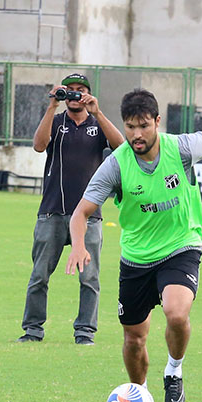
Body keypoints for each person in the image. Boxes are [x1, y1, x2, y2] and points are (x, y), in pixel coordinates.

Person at [65, 88, 202, 402]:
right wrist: (78, 246)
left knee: (176, 313)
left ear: (157, 122)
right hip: (136, 258)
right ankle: (139, 398)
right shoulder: (117, 165)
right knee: (134, 340)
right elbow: (81, 212)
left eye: (143, 126)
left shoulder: (179, 149)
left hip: (182, 245)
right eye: (130, 127)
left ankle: (174, 370)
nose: (136, 135)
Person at [18, 73, 124, 345]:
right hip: (51, 212)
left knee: (89, 278)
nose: (75, 95)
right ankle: (32, 330)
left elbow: (121, 147)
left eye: (80, 90)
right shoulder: (55, 122)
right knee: (39, 275)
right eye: (70, 90)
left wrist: (98, 113)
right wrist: (52, 105)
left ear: (88, 94)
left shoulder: (96, 125)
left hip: (89, 215)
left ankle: (85, 332)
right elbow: (39, 145)